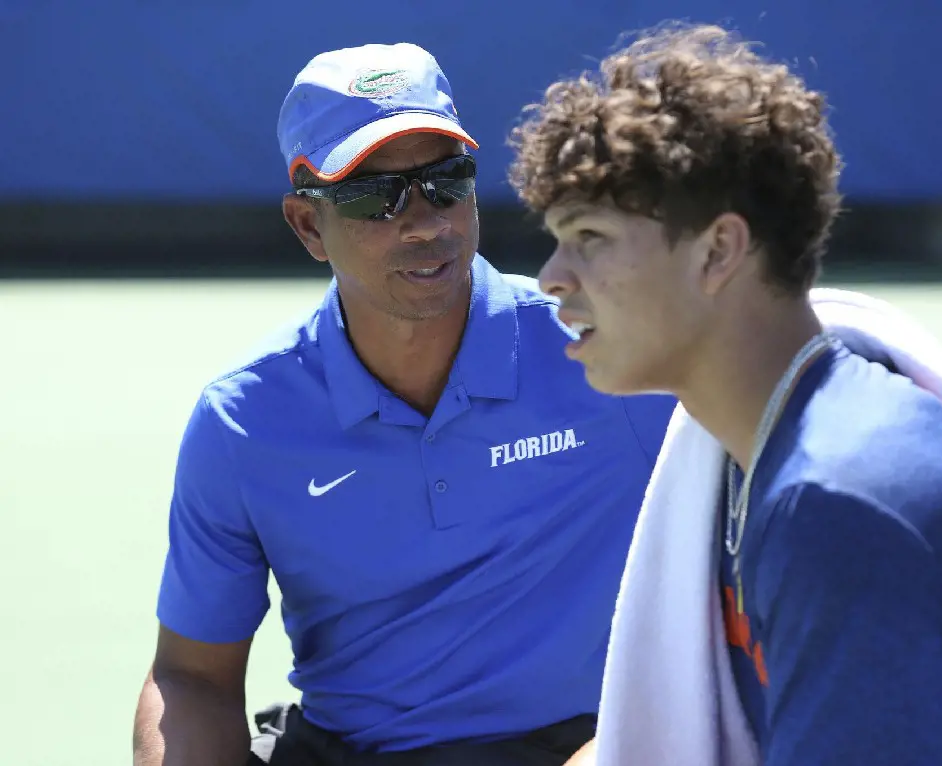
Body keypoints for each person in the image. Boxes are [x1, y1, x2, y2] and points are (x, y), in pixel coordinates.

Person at [131, 42, 675, 766]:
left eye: (446, 182)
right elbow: (192, 676)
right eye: (371, 197)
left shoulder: (611, 353)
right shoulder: (242, 422)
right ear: (305, 226)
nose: (424, 221)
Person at [509, 23, 942, 766]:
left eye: (588, 235)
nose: (552, 277)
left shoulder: (841, 499)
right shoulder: (777, 449)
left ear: (718, 251)